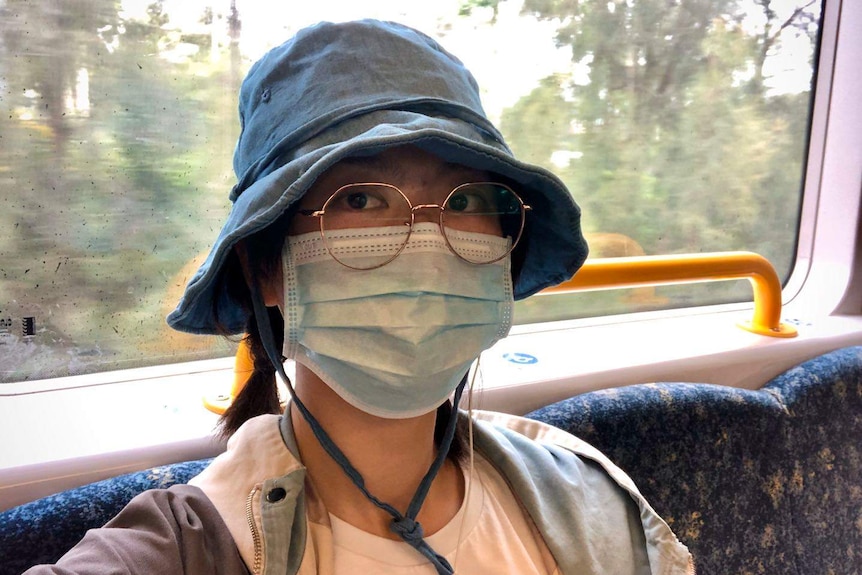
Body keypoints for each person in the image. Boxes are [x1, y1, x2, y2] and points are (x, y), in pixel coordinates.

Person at [26, 19, 693, 574]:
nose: (426, 237)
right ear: (266, 267)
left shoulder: (590, 499)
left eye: (466, 199)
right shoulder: (188, 547)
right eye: (362, 197)